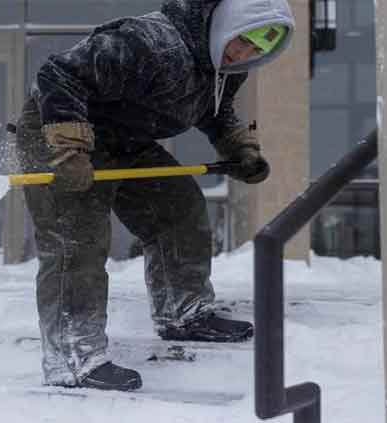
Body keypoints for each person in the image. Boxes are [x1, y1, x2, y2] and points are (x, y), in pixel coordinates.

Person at [15, 0, 294, 392]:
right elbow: (58, 75)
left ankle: (184, 311)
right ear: (226, 24)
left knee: (177, 208)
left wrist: (240, 149)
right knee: (76, 240)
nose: (244, 54)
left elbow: (214, 108)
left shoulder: (224, 64)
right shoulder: (150, 44)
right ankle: (74, 357)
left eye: (256, 51)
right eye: (242, 42)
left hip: (125, 137)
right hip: (60, 131)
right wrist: (68, 149)